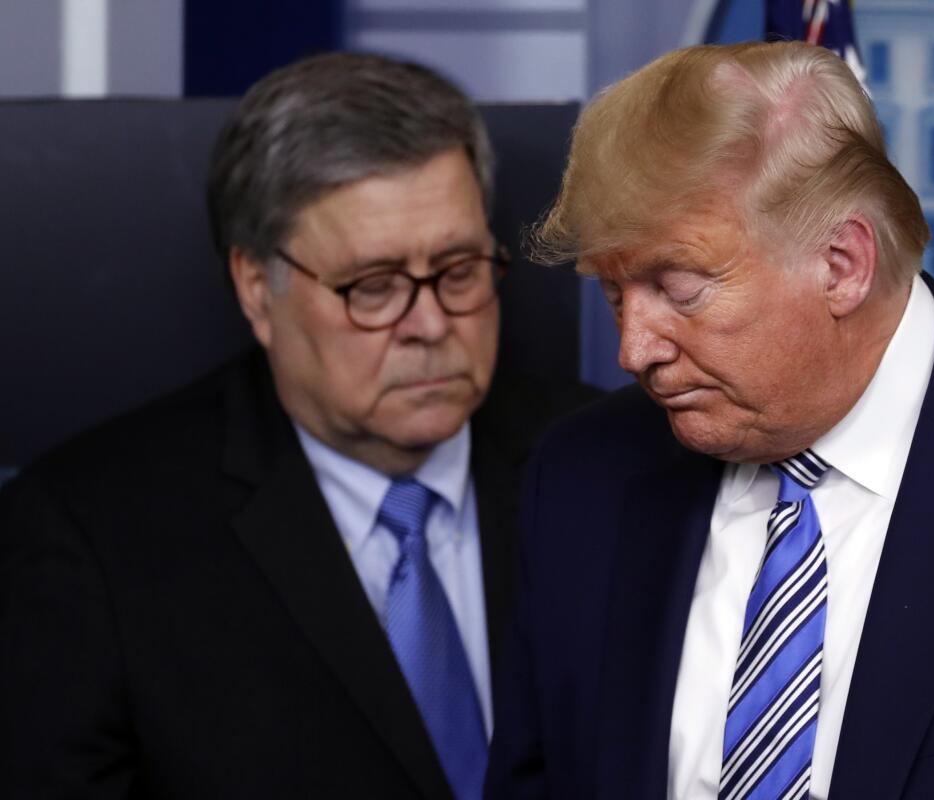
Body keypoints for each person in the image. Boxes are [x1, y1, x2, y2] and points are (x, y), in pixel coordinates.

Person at [484, 41, 934, 799]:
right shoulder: (581, 476)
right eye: (614, 293)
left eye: (680, 287)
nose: (634, 350)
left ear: (842, 264)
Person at [0, 52, 594, 799]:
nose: (431, 324)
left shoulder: (600, 463)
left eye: (459, 270)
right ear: (257, 289)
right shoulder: (91, 539)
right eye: (373, 288)